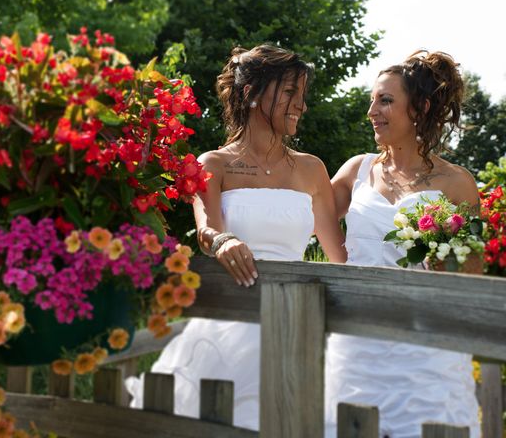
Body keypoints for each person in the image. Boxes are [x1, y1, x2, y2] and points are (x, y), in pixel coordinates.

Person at [126, 44, 346, 429]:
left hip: (292, 322)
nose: (302, 105)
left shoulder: (313, 170)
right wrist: (223, 240)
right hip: (230, 320)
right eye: (291, 93)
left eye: (302, 94)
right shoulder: (213, 163)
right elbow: (206, 230)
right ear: (252, 94)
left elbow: (339, 257)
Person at [327, 50, 480, 438]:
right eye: (372, 100)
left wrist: (446, 265)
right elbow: (309, 218)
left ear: (420, 108)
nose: (371, 111)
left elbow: (472, 272)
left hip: (426, 345)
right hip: (358, 343)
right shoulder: (356, 170)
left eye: (385, 100)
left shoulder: (456, 183)